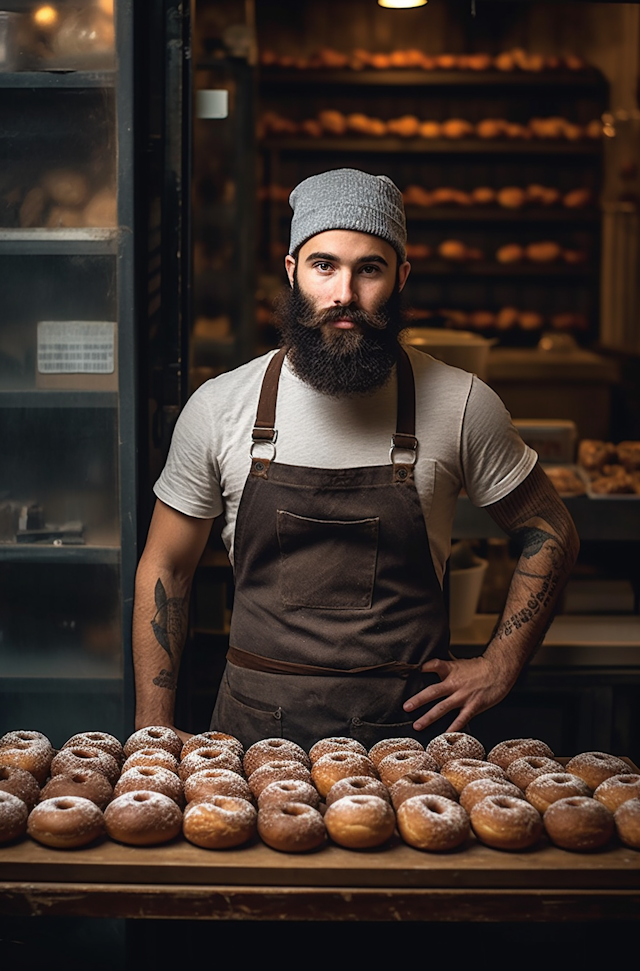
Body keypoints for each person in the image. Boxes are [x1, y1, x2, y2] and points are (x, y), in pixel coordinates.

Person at [133, 168, 579, 750]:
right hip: (252, 741)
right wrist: (152, 727)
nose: (344, 293)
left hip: (408, 742)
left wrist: (499, 665)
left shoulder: (460, 403)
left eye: (369, 268)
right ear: (292, 272)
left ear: (400, 278)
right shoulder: (222, 406)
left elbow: (552, 531)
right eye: (324, 265)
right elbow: (166, 566)